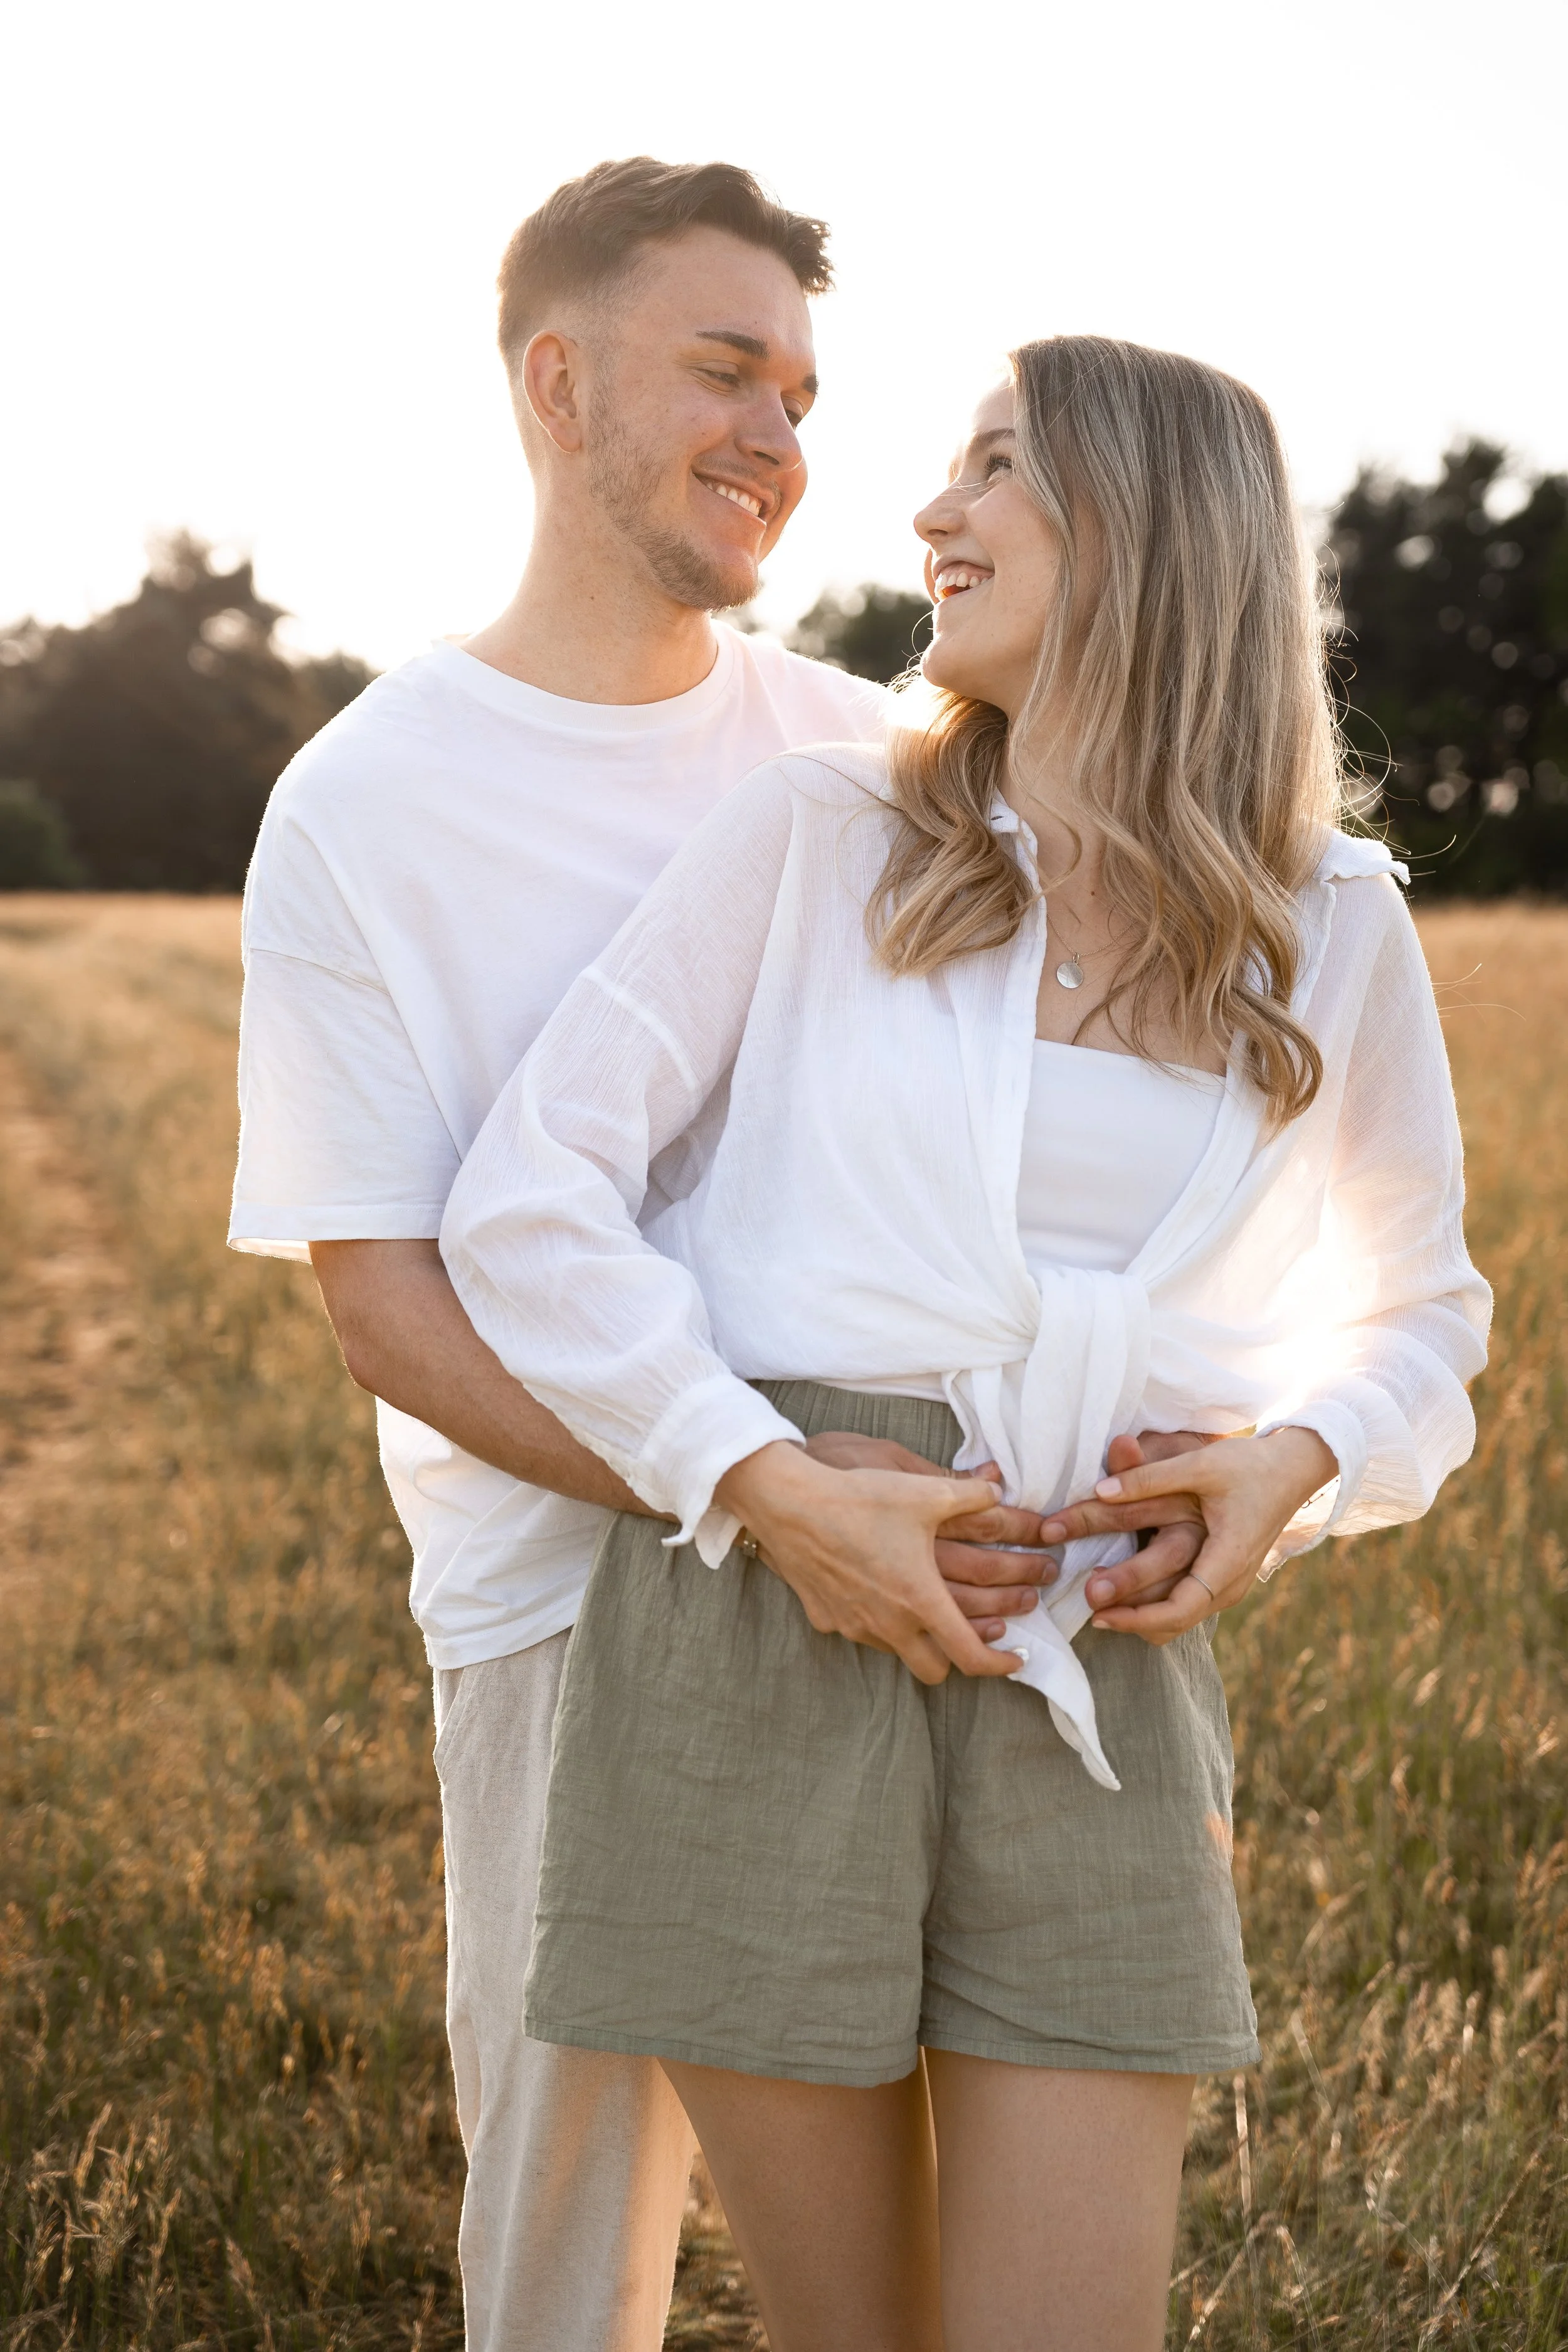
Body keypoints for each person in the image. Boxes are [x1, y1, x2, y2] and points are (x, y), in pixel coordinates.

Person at [440, 335, 1492, 2351]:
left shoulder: (1327, 912)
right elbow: (531, 1190)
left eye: (996, 466)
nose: (928, 511)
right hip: (776, 1605)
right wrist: (761, 1480)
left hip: (1084, 1627)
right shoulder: (822, 834)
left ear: (1148, 528)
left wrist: (1290, 1464)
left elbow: (1425, 1313)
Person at [225, 156, 1012, 2352]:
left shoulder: (872, 751)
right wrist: (752, 1498)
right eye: (724, 370)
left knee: (900, 2234)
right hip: (565, 1606)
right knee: (573, 2261)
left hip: (896, 1576)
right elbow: (382, 1297)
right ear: (556, 383)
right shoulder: (364, 804)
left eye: (803, 386)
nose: (780, 430)